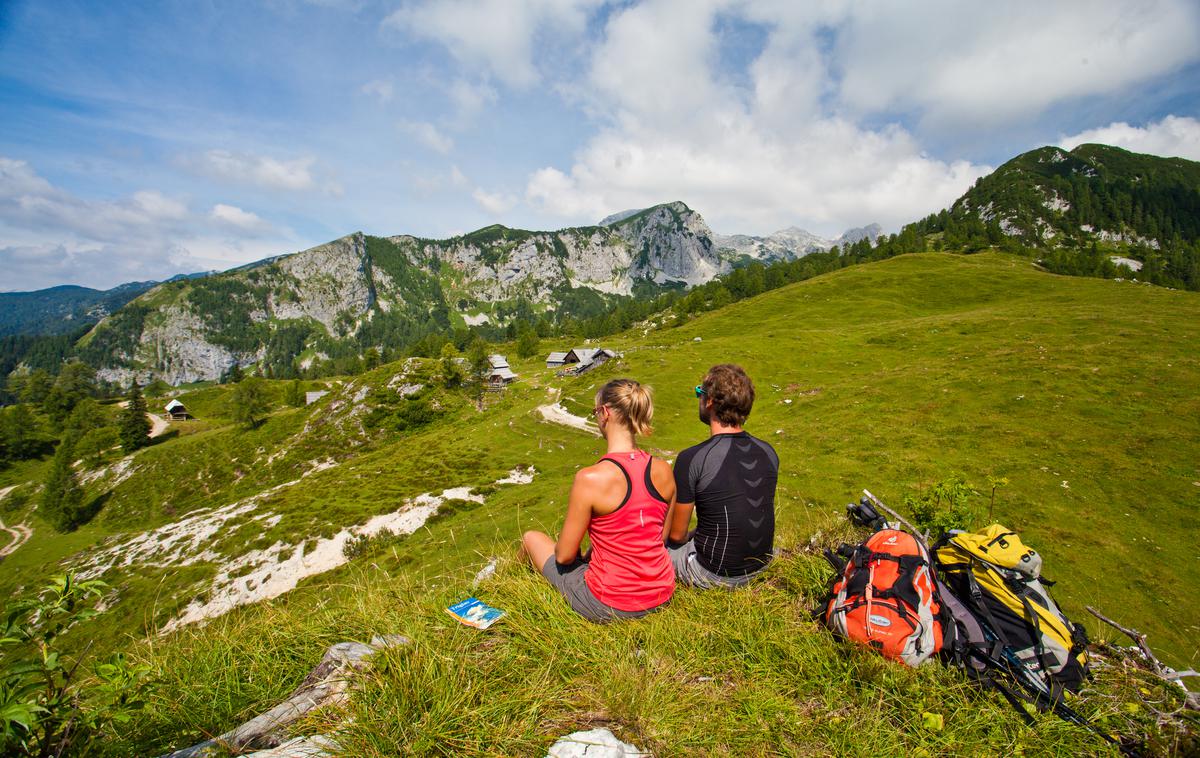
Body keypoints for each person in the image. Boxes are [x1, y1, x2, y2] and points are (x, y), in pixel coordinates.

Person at [521, 378, 676, 622]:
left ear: (605, 413)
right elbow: (660, 539)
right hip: (662, 594)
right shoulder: (664, 471)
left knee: (531, 538)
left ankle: (515, 587)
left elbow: (564, 556)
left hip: (610, 603)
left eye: (595, 412)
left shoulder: (591, 478)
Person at [664, 364, 779, 588]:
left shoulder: (692, 458)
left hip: (714, 575)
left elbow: (677, 536)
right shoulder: (768, 451)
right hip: (762, 565)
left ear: (709, 401)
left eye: (700, 393)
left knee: (663, 549)